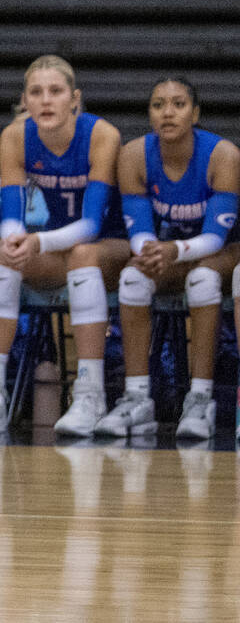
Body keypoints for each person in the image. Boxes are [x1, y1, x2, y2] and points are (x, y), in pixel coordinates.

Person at [0, 55, 131, 437]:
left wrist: (37, 239)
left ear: (74, 99)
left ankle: (90, 395)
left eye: (55, 91)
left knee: (83, 255)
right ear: (25, 100)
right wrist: (13, 239)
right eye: (36, 92)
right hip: (62, 247)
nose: (45, 100)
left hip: (114, 246)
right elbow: (11, 212)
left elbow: (90, 226)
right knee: (3, 258)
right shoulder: (15, 136)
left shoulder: (102, 135)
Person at [97, 78, 239, 440]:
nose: (168, 112)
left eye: (178, 104)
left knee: (203, 280)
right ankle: (137, 397)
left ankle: (200, 399)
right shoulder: (133, 155)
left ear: (196, 113)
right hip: (171, 253)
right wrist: (150, 252)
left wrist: (173, 251)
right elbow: (139, 225)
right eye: (158, 105)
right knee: (133, 277)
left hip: (223, 253)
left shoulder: (223, 156)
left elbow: (215, 237)